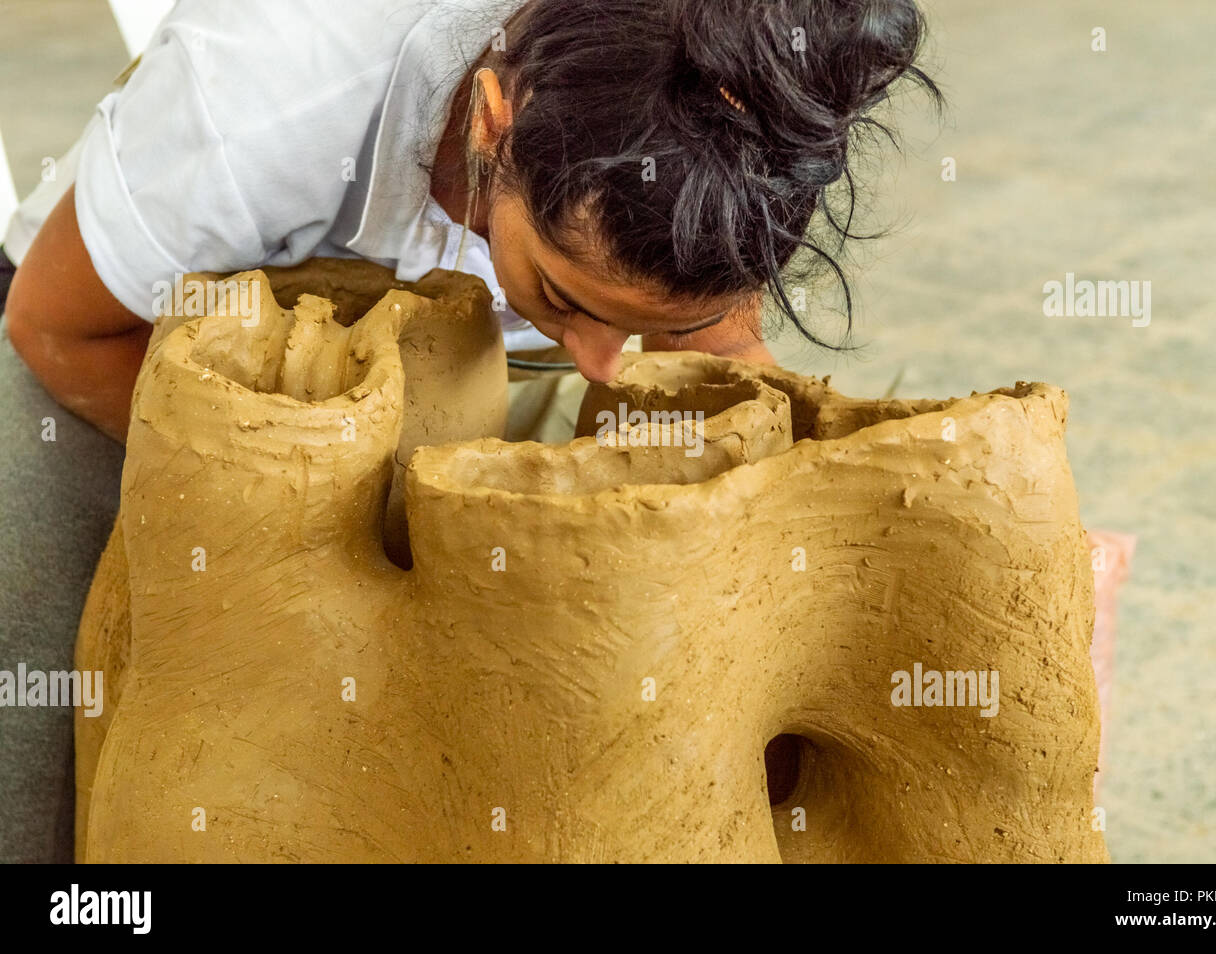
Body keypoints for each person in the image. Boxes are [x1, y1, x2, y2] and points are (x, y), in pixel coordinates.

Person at [0, 0, 937, 861]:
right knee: (48, 732)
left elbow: (721, 359)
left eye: (648, 321)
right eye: (568, 298)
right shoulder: (264, 96)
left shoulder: (726, 100)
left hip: (465, 356)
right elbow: (54, 327)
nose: (607, 365)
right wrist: (302, 520)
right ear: (494, 120)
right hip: (130, 340)